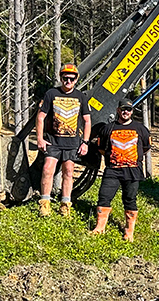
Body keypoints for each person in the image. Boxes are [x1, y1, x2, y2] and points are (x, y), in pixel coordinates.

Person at [35, 63, 92, 217]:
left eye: (72, 79)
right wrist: (40, 139)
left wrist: (85, 142)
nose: (68, 81)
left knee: (68, 172)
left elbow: (87, 121)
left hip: (72, 143)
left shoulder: (81, 97)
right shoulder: (51, 94)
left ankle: (65, 205)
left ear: (76, 80)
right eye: (65, 78)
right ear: (61, 78)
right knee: (47, 169)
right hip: (53, 141)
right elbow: (40, 117)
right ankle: (44, 204)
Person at [90, 98, 151, 242]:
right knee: (104, 197)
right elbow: (101, 148)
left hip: (133, 171)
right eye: (123, 109)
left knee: (130, 199)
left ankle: (129, 231)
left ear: (132, 111)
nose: (126, 112)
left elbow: (146, 148)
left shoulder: (141, 129)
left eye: (128, 109)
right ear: (118, 110)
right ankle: (99, 228)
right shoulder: (108, 128)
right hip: (112, 170)